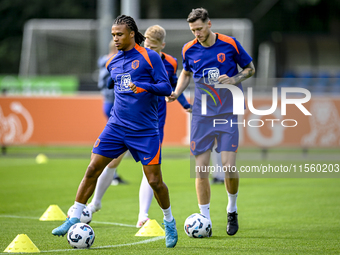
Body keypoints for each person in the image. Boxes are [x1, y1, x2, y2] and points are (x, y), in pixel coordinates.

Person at [52, 15, 178, 248]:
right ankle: (73, 218)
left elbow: (166, 87)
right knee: (92, 168)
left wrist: (143, 87)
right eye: (113, 35)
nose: (115, 38)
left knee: (155, 181)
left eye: (119, 34)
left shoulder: (150, 57)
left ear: (132, 34)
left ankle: (169, 221)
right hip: (116, 126)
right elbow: (113, 82)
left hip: (145, 130)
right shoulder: (112, 62)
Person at [88, 25, 191, 228]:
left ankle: (142, 215)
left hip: (153, 122)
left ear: (162, 45)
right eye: (147, 44)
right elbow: (113, 78)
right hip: (126, 120)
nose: (149, 49)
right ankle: (94, 203)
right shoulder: (136, 57)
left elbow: (172, 84)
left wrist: (184, 102)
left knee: (150, 171)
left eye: (153, 46)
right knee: (112, 161)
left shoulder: (169, 62)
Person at [167, 8, 255, 236]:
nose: (196, 33)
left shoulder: (230, 44)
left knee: (228, 166)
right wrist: (177, 93)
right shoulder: (189, 48)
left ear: (209, 24)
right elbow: (186, 73)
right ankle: (204, 219)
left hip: (228, 111)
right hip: (202, 114)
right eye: (192, 30)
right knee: (201, 169)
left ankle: (232, 209)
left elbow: (250, 69)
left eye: (199, 28)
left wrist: (234, 78)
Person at [97, 40, 127, 185]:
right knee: (119, 142)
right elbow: (104, 83)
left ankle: (111, 172)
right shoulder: (110, 62)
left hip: (111, 103)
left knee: (119, 141)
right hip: (113, 103)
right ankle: (110, 173)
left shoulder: (107, 61)